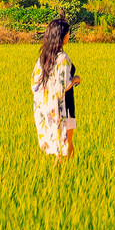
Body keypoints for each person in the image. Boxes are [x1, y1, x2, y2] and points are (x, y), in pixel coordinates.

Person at [30, 17, 80, 159]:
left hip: (47, 107)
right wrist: (75, 79)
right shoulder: (62, 57)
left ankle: (65, 175)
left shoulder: (43, 58)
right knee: (66, 146)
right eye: (67, 33)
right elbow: (63, 86)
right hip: (64, 107)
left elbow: (35, 84)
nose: (68, 36)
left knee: (61, 146)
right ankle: (62, 175)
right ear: (61, 36)